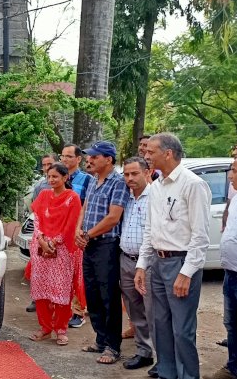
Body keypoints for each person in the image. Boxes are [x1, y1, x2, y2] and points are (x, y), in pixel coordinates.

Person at [135, 133, 212, 379]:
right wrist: (141, 265)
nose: (146, 155)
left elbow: (200, 236)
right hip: (157, 263)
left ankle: (188, 375)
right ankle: (167, 373)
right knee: (161, 327)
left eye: (151, 151)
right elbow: (150, 229)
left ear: (168, 153)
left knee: (182, 330)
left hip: (180, 263)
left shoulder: (192, 184)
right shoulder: (156, 186)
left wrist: (186, 272)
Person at [75, 140, 129, 364]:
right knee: (93, 294)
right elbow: (85, 207)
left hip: (106, 244)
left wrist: (88, 234)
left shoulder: (117, 182)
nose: (90, 160)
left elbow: (113, 217)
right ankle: (100, 339)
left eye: (95, 157)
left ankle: (113, 346)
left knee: (108, 296)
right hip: (89, 244)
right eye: (90, 156)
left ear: (108, 159)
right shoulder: (94, 180)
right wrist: (79, 230)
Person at [204, 156, 237, 379]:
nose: (230, 175)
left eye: (234, 170)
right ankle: (234, 369)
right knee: (233, 326)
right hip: (231, 274)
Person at [27, 163, 82, 346]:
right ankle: (45, 328)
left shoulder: (72, 198)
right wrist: (42, 239)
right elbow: (37, 219)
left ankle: (60, 329)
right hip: (41, 248)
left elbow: (71, 226)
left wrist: (54, 242)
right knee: (41, 288)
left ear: (65, 178)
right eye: (49, 176)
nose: (51, 180)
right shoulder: (43, 195)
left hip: (63, 249)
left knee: (62, 291)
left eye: (55, 177)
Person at [119, 157, 155, 371]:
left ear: (147, 172)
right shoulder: (126, 197)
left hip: (149, 264)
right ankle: (144, 352)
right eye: (126, 174)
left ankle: (163, 358)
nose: (130, 178)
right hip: (126, 260)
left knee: (153, 311)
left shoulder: (155, 197)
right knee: (134, 309)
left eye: (134, 174)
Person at [60, 143, 92, 328]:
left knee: (78, 274)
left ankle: (79, 312)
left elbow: (87, 207)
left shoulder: (87, 180)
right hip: (60, 232)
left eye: (69, 156)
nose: (65, 159)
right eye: (63, 156)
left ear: (78, 159)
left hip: (77, 233)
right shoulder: (59, 177)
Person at [25, 153, 58, 313]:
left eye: (49, 164)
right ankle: (37, 299)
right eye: (44, 165)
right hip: (42, 233)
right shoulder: (40, 187)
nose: (46, 168)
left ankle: (55, 301)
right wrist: (40, 236)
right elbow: (36, 212)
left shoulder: (68, 187)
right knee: (38, 268)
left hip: (59, 235)